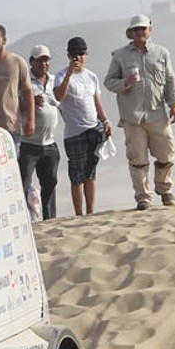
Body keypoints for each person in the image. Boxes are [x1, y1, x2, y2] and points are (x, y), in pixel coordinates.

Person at [103, 13, 175, 210]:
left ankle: (164, 188)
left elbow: (170, 80)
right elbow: (109, 82)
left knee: (167, 153)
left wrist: (174, 104)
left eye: (143, 29)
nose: (140, 32)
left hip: (157, 113)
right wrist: (125, 83)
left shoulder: (161, 53)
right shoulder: (120, 55)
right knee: (138, 158)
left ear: (150, 30)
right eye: (136, 29)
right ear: (131, 32)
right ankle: (143, 197)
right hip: (132, 116)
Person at [54, 35, 113, 216]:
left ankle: (90, 211)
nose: (77, 58)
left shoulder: (91, 77)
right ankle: (79, 213)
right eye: (73, 54)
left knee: (90, 172)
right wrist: (70, 74)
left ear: (86, 54)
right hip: (74, 132)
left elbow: (97, 102)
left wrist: (105, 120)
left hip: (92, 128)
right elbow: (58, 97)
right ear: (68, 56)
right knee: (77, 175)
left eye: (80, 54)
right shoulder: (62, 76)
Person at [19, 46, 62, 220]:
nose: (43, 63)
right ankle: (24, 219)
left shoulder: (53, 81)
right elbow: (14, 105)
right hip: (30, 143)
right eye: (39, 60)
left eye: (46, 60)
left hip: (49, 142)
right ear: (31, 62)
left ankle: (50, 219)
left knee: (50, 182)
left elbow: (59, 102)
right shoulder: (24, 81)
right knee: (23, 183)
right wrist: (29, 102)